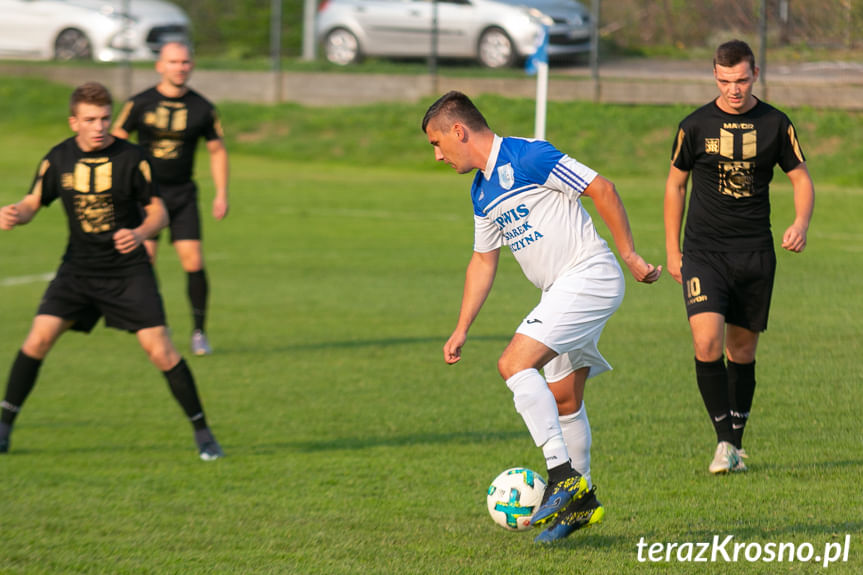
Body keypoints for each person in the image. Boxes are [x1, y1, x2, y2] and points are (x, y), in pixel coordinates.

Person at [422, 91, 661, 543]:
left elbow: (602, 188)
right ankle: (582, 502)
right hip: (561, 291)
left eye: (437, 143)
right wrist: (461, 327)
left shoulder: (529, 155)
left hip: (588, 275)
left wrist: (629, 253)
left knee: (513, 364)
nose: (437, 155)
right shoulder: (481, 191)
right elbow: (482, 261)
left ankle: (561, 474)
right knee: (565, 398)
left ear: (459, 131)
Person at [0, 82, 223, 461]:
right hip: (79, 269)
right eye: (90, 120)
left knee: (161, 350)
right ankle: (4, 428)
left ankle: (203, 433)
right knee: (38, 339)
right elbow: (34, 201)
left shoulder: (133, 158)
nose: (100, 126)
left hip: (127, 271)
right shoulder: (58, 158)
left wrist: (139, 233)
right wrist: (15, 214)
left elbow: (160, 212)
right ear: (74, 122)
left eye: (104, 118)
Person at [664, 40, 814, 474]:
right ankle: (724, 442)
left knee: (742, 351)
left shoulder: (775, 124)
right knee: (706, 343)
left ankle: (736, 443)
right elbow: (675, 186)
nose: (734, 89)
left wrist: (800, 223)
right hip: (703, 252)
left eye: (742, 80)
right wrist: (673, 250)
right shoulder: (693, 126)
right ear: (715, 76)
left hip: (754, 252)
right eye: (726, 80)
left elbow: (801, 180)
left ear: (756, 74)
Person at [112, 41, 230, 356]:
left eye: (185, 62)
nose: (180, 67)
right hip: (146, 196)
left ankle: (199, 332)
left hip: (182, 195)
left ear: (192, 65)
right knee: (145, 259)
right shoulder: (139, 103)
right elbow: (116, 141)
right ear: (160, 66)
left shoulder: (203, 108)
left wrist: (221, 193)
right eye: (173, 61)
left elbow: (217, 151)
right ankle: (155, 325)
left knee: (193, 260)